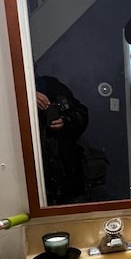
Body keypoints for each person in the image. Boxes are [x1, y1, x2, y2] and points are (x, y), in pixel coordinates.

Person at [35, 75, 89, 205]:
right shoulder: (13, 94)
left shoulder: (52, 86)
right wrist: (26, 96)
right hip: (38, 177)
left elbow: (81, 113)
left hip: (68, 168)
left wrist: (66, 122)